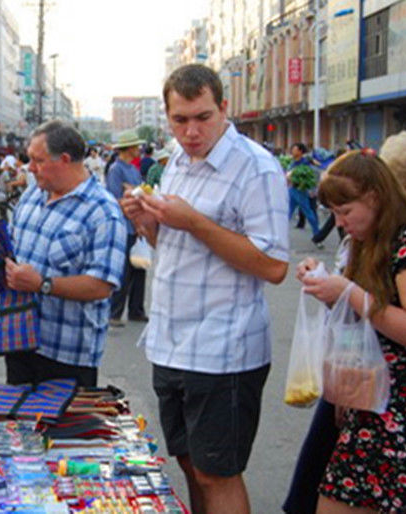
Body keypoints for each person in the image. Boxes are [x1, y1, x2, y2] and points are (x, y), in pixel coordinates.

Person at [121, 64, 289, 514]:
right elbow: (173, 246)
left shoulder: (256, 168)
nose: (191, 131)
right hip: (170, 342)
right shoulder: (175, 161)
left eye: (202, 117)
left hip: (223, 349)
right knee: (190, 464)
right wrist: (148, 223)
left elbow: (273, 266)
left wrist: (193, 220)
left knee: (218, 472)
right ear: (167, 116)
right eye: (180, 120)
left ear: (223, 108)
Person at [284, 132, 406, 514]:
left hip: (403, 411)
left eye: (346, 212)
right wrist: (326, 282)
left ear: (376, 198)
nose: (341, 223)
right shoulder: (368, 241)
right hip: (368, 401)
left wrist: (347, 292)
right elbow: (357, 319)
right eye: (334, 214)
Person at [4, 120, 127, 387]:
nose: (30, 168)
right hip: (18, 341)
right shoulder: (32, 196)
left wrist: (42, 284)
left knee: (63, 429)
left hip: (67, 354)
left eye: (38, 160)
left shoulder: (102, 212)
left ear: (65, 160)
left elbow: (101, 286)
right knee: (17, 426)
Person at [105, 132, 148, 326]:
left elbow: (139, 193)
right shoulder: (116, 169)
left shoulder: (133, 169)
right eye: (136, 146)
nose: (138, 149)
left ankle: (136, 310)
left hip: (139, 224)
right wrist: (132, 194)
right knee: (124, 271)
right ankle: (115, 312)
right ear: (129, 148)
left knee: (140, 268)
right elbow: (116, 199)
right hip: (125, 226)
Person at [286, 142, 322, 244]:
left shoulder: (305, 163)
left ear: (300, 151)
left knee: (308, 212)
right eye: (292, 149)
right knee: (287, 213)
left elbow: (312, 176)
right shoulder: (292, 162)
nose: (292, 151)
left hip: (300, 191)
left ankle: (317, 234)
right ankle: (280, 235)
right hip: (292, 189)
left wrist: (312, 190)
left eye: (295, 149)